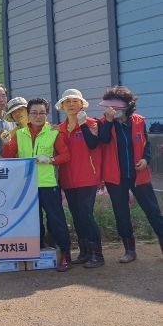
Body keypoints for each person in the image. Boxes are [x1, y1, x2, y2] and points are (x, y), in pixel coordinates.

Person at [2, 98, 72, 272]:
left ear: (46, 114)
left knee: (56, 219)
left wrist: (51, 160)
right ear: (28, 114)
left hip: (48, 183)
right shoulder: (19, 133)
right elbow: (9, 156)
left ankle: (65, 254)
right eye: (34, 113)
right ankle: (37, 252)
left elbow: (66, 155)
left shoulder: (53, 132)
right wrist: (6, 143)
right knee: (33, 220)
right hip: (27, 184)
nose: (38, 116)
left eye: (42, 113)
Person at [97, 85, 163, 261]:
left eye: (115, 107)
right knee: (121, 213)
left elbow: (146, 144)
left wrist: (146, 159)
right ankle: (129, 250)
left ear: (126, 106)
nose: (111, 110)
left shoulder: (139, 121)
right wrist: (109, 121)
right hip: (115, 177)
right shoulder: (103, 123)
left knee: (153, 211)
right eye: (108, 107)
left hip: (139, 175)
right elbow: (103, 141)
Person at [55, 89, 104, 268]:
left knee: (86, 215)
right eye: (67, 102)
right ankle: (84, 252)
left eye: (75, 101)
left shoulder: (92, 124)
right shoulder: (58, 129)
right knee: (76, 216)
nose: (71, 104)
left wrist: (101, 176)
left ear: (82, 104)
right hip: (67, 179)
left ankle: (97, 255)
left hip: (87, 177)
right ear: (62, 106)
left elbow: (97, 148)